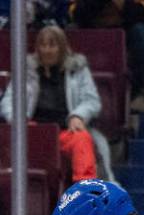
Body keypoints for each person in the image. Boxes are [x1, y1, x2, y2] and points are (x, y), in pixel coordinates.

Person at [0, 25, 105, 183]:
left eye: (52, 45)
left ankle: (85, 195)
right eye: (42, 45)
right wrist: (18, 119)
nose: (46, 50)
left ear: (62, 47)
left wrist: (78, 115)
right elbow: (8, 101)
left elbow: (92, 100)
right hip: (33, 130)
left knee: (82, 139)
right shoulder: (26, 70)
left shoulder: (78, 69)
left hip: (65, 131)